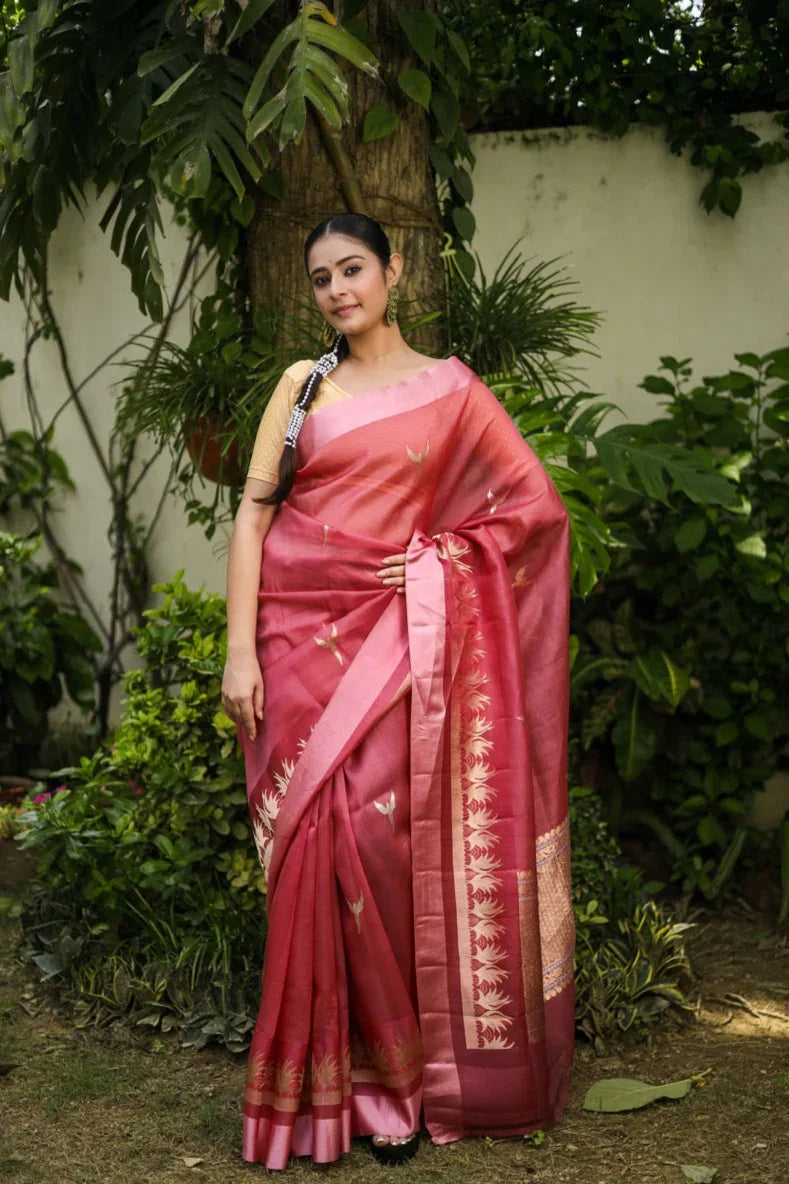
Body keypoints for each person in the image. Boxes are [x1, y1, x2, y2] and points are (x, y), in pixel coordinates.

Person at [221, 213, 575, 1170]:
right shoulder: (302, 385)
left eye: (353, 269)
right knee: (311, 847)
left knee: (378, 844)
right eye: (321, 278)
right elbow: (253, 515)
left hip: (393, 643)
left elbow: (534, 512)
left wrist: (439, 560)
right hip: (294, 638)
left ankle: (397, 1085)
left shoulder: (453, 391)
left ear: (393, 271)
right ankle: (330, 1093)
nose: (338, 290)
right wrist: (239, 653)